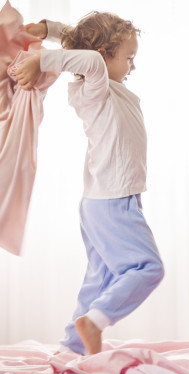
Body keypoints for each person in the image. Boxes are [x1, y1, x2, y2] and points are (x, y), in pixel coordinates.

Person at [15, 12, 164, 355]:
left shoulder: (103, 81)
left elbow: (85, 44)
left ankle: (72, 344)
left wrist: (50, 30)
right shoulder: (95, 87)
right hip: (113, 201)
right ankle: (95, 320)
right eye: (129, 58)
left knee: (101, 276)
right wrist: (42, 60)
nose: (132, 66)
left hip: (100, 201)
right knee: (148, 268)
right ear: (106, 55)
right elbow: (91, 55)